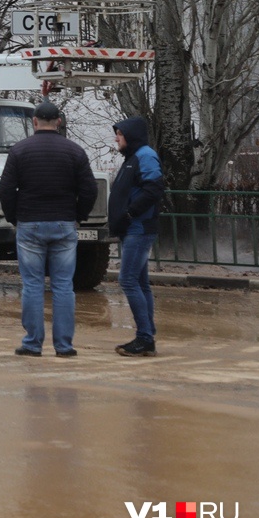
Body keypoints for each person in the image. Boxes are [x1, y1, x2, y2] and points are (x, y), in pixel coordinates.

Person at [0, 101, 97, 357]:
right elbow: (89, 189)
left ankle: (32, 344)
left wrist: (14, 218)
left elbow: (6, 189)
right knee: (64, 286)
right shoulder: (75, 151)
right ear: (59, 122)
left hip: (30, 224)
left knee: (32, 285)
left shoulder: (19, 151)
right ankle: (64, 346)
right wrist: (78, 216)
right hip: (64, 224)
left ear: (34, 122)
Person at [109, 117, 166, 357]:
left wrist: (130, 213)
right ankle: (146, 335)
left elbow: (154, 189)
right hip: (132, 228)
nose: (116, 138)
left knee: (128, 281)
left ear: (130, 135)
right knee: (140, 283)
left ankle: (145, 338)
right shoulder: (133, 157)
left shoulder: (145, 156)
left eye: (120, 134)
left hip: (139, 229)